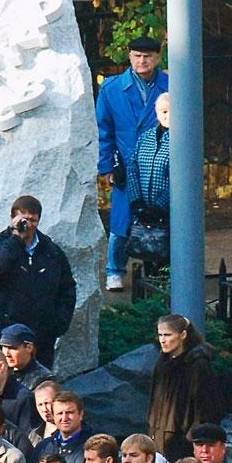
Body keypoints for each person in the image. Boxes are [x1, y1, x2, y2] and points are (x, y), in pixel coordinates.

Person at [96, 36, 169, 291]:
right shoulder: (111, 88)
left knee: (162, 219)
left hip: (160, 163)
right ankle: (114, 270)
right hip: (126, 167)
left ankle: (161, 270)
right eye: (137, 55)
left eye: (148, 56)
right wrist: (106, 167)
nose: (142, 61)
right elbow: (103, 131)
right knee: (121, 222)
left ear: (157, 58)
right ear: (129, 56)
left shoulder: (171, 85)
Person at [0, 196, 77, 368]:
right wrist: (15, 240)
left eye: (33, 220)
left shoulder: (51, 251)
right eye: (24, 220)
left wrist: (59, 322)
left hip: (42, 336)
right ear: (13, 219)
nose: (29, 225)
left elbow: (67, 288)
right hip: (9, 334)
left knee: (42, 379)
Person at [147, 315, 223, 463]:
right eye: (160, 335)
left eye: (168, 335)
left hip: (183, 438)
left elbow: (205, 407)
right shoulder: (162, 361)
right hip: (159, 432)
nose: (163, 340)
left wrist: (192, 438)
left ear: (183, 335)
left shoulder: (197, 365)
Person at [125, 93, 171, 271]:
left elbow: (179, 177)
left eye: (171, 111)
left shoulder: (182, 139)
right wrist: (136, 201)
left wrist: (159, 206)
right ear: (157, 113)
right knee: (147, 253)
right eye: (163, 111)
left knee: (167, 257)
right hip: (143, 209)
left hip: (169, 212)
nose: (167, 116)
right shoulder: (146, 137)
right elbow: (132, 168)